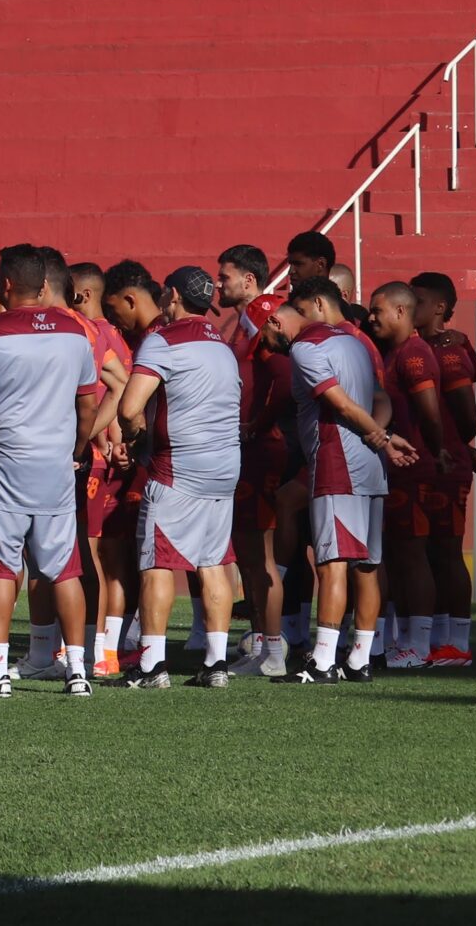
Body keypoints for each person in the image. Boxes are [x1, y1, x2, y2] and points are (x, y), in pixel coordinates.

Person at [0, 245, 108, 698]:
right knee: (65, 569)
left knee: (0, 568)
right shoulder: (75, 334)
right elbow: (88, 401)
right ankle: (77, 671)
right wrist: (76, 447)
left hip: (4, 465)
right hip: (55, 465)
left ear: (7, 285)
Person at [271, 275, 419, 683]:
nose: (295, 321)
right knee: (368, 564)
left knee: (332, 562)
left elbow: (341, 404)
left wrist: (381, 437)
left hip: (338, 464)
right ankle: (359, 659)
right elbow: (381, 399)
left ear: (318, 304)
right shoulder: (357, 342)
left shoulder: (307, 346)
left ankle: (321, 662)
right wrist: (381, 438)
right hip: (370, 466)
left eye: (299, 311)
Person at [106, 262, 243, 689]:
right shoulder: (222, 344)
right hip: (224, 465)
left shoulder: (162, 340)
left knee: (156, 562)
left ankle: (151, 664)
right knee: (214, 561)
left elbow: (129, 408)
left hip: (179, 464)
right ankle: (217, 664)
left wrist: (132, 437)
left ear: (173, 296)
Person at [215, 242, 293, 676]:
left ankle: (274, 652)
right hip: (253, 444)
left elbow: (282, 376)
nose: (217, 284)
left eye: (224, 276)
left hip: (263, 447)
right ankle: (263, 645)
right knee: (247, 549)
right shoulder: (247, 319)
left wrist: (259, 425)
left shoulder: (263, 310)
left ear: (248, 279)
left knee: (259, 550)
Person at [367, 281, 452, 670]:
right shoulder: (395, 352)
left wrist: (437, 452)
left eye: (377, 310)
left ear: (400, 312)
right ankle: (402, 640)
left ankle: (418, 646)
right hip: (397, 468)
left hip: (413, 468)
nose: (372, 318)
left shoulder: (414, 354)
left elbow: (430, 412)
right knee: (398, 554)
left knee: (413, 554)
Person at [67, 261, 141, 677]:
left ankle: (95, 647)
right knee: (108, 554)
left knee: (91, 552)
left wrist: (105, 438)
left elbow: (115, 388)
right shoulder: (109, 334)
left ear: (82, 293)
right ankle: (107, 649)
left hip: (96, 459)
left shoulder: (95, 332)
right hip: (105, 454)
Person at [412, 271, 476, 667]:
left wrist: (455, 445)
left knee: (444, 551)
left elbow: (468, 418)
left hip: (443, 464)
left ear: (440, 307)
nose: (411, 307)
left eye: (419, 301)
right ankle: (436, 640)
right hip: (420, 462)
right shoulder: (416, 346)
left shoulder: (449, 350)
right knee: (417, 552)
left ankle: (457, 642)